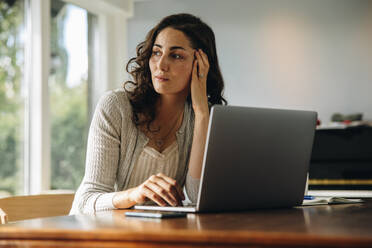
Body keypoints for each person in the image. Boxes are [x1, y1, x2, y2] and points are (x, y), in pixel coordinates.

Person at [70, 13, 227, 214]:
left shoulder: (199, 119)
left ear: (200, 64)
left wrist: (202, 113)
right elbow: (86, 201)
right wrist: (134, 194)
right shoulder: (116, 107)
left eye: (176, 55)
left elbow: (198, 197)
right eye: (156, 52)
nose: (161, 65)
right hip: (99, 235)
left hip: (154, 237)